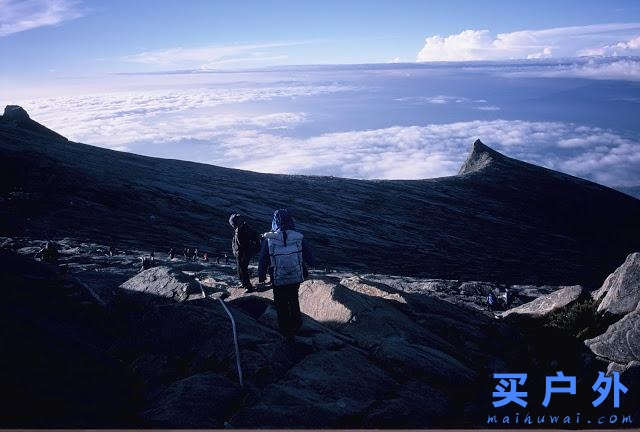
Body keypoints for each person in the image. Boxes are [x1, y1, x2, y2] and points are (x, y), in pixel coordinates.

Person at [258, 209, 314, 340]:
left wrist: (261, 276)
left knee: (280, 302)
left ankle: (285, 330)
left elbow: (263, 259)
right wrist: (310, 263)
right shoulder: (298, 237)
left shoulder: (269, 239)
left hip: (277, 277)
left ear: (274, 222)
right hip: (295, 276)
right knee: (293, 298)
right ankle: (297, 324)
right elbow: (310, 257)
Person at [229, 213, 262, 290]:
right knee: (240, 268)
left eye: (233, 224)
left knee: (243, 269)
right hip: (239, 253)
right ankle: (243, 283)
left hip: (244, 253)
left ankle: (248, 286)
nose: (233, 226)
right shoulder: (240, 229)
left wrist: (251, 250)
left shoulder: (245, 229)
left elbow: (245, 242)